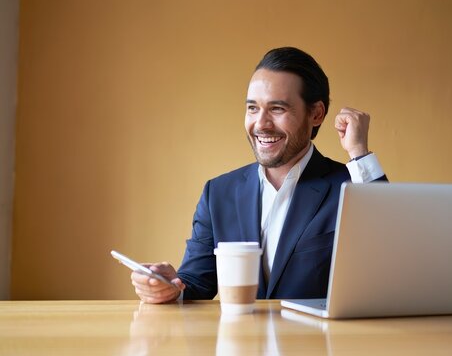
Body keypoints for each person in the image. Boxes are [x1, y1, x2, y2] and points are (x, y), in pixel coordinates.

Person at [131, 47, 387, 303]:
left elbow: (389, 256)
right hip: (241, 342)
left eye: (277, 109)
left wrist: (359, 153)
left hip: (318, 343)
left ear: (316, 114)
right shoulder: (218, 193)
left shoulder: (351, 187)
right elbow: (197, 283)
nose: (261, 124)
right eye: (253, 108)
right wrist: (170, 287)